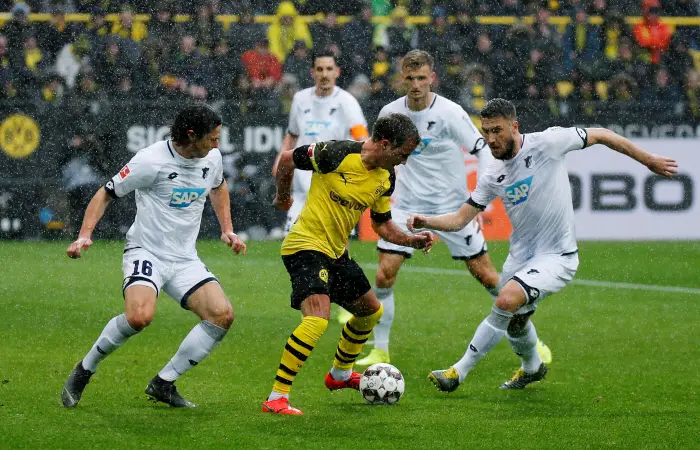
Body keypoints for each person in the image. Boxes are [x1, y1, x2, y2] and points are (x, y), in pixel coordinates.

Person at [408, 98, 678, 392]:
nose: (491, 139)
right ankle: (532, 367)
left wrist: (648, 160)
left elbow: (602, 134)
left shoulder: (548, 143)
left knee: (505, 301)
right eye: (486, 131)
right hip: (520, 257)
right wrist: (426, 222)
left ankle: (457, 372)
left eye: (497, 130)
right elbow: (460, 219)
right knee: (516, 321)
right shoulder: (493, 175)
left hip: (558, 256)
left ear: (514, 126)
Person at [357, 50, 550, 367]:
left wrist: (482, 193)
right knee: (384, 274)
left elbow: (481, 149)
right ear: (402, 78)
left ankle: (532, 339)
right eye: (410, 78)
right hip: (406, 207)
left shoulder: (449, 113)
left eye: (422, 78)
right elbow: (375, 152)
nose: (416, 85)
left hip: (452, 211)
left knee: (488, 277)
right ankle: (380, 349)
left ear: (432, 78)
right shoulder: (390, 113)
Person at [61, 104, 247, 408]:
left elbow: (218, 185)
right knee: (139, 317)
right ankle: (85, 369)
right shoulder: (150, 160)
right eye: (212, 138)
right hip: (146, 252)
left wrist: (227, 229)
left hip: (185, 259)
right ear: (192, 135)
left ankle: (164, 383)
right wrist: (84, 235)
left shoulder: (211, 158)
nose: (217, 145)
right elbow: (106, 192)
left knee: (221, 315)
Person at [262, 113, 435, 415]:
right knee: (317, 319)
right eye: (402, 154)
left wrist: (411, 240)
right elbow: (287, 159)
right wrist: (283, 197)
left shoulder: (386, 176)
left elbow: (382, 224)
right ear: (384, 144)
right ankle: (276, 398)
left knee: (370, 311)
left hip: (336, 253)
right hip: (304, 245)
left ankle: (340, 375)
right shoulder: (336, 153)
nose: (404, 161)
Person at [272, 49, 369, 324]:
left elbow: (362, 140)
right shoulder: (301, 99)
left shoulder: (347, 103)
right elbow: (292, 135)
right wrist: (281, 158)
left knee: (338, 250)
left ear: (337, 72)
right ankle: (311, 301)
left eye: (329, 69)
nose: (325, 74)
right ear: (312, 72)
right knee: (296, 246)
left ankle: (342, 300)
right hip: (303, 189)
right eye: (320, 69)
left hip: (334, 190)